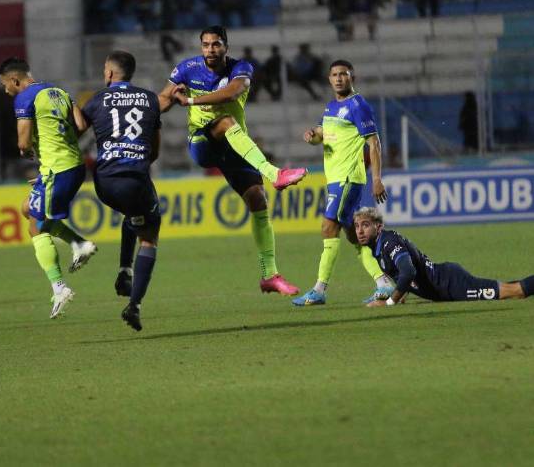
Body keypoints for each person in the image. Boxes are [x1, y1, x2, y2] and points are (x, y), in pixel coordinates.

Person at [158, 25, 307, 297]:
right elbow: (165, 99)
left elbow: (232, 92)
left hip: (234, 145)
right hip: (202, 143)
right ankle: (275, 173)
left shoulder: (241, 68)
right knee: (225, 122)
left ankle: (269, 275)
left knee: (258, 200)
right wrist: (147, 110)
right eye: (205, 45)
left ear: (226, 45)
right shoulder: (187, 68)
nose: (210, 50)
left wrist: (190, 100)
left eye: (215, 44)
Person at [0, 57, 97, 319]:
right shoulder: (59, 92)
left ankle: (60, 287)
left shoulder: (24, 98)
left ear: (15, 80)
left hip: (58, 169)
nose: (5, 90)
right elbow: (82, 125)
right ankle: (80, 244)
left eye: (5, 85)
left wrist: (29, 151)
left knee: (35, 225)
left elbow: (22, 140)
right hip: (72, 165)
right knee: (26, 209)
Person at [293, 60, 393, 306]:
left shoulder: (358, 105)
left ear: (352, 77)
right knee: (354, 236)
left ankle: (319, 289)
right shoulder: (330, 107)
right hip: (336, 179)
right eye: (334, 75)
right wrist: (312, 136)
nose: (339, 78)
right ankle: (384, 283)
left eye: (343, 74)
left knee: (328, 227)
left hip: (348, 178)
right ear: (329, 79)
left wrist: (377, 179)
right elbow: (322, 134)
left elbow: (374, 143)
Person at [74, 51, 162, 331]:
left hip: (105, 181)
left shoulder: (97, 99)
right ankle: (134, 304)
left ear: (110, 73)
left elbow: (76, 131)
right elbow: (155, 150)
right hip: (136, 178)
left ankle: (125, 270)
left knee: (131, 214)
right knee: (148, 237)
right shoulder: (149, 99)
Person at [355, 207, 534, 306]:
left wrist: (389, 303)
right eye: (357, 226)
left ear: (378, 227)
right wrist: (398, 296)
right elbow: (405, 276)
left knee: (514, 292)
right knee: (509, 291)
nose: (360, 231)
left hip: (451, 284)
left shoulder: (389, 243)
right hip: (444, 283)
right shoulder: (377, 248)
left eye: (365, 225)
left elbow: (408, 271)